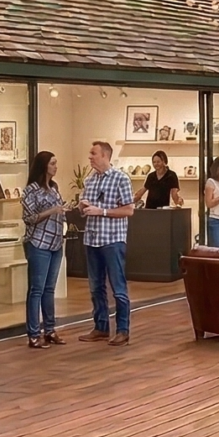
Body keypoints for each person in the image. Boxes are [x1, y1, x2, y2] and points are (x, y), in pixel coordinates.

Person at [77, 140, 136, 345]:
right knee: (96, 287)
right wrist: (82, 206)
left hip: (112, 240)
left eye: (93, 153)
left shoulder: (121, 178)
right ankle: (101, 327)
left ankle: (123, 330)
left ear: (105, 155)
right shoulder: (90, 180)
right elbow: (85, 209)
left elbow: (129, 210)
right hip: (92, 239)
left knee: (118, 287)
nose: (90, 157)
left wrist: (101, 211)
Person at [20, 151, 69, 348]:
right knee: (36, 289)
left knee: (49, 289)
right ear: (44, 166)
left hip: (56, 243)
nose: (55, 167)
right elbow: (29, 218)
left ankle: (50, 329)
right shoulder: (31, 191)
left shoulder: (54, 188)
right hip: (38, 243)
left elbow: (59, 212)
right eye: (52, 163)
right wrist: (51, 211)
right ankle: (33, 333)